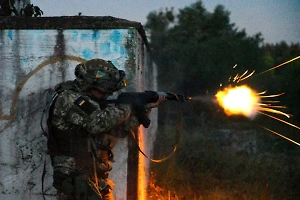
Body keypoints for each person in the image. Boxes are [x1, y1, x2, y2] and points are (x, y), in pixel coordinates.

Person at [46, 59, 165, 200]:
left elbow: (120, 130)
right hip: (75, 179)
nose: (106, 95)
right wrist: (126, 105)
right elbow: (99, 123)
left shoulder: (93, 104)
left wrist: (144, 108)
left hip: (96, 178)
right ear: (91, 84)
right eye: (103, 90)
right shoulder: (70, 98)